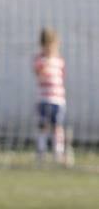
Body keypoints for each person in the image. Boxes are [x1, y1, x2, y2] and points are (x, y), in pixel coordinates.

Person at [34, 27, 67, 164]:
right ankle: (41, 151)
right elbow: (39, 74)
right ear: (42, 45)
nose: (50, 48)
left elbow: (62, 77)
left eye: (53, 45)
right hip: (43, 98)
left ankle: (58, 152)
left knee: (57, 126)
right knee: (43, 125)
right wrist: (44, 65)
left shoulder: (59, 60)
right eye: (47, 45)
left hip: (58, 99)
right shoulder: (40, 60)